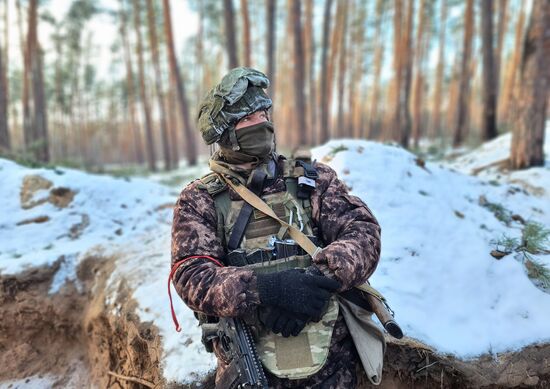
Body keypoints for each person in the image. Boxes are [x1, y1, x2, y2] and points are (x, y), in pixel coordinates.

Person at [170, 67, 382, 388]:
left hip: (332, 368)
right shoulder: (200, 199)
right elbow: (191, 273)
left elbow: (362, 233)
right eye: (248, 119)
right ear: (225, 133)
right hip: (251, 370)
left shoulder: (312, 180)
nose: (262, 123)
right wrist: (268, 290)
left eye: (264, 113)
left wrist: (315, 284)